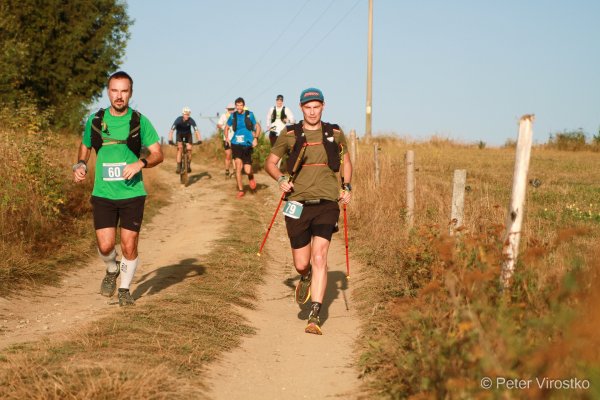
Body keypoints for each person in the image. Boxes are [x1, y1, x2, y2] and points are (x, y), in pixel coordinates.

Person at [264, 87, 352, 335]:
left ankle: (315, 313)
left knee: (320, 256)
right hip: (297, 203)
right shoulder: (290, 133)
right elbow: (270, 163)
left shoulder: (333, 132)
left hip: (327, 202)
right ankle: (305, 277)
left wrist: (346, 186)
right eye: (308, 107)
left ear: (323, 106)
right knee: (302, 263)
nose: (312, 112)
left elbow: (345, 160)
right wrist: (280, 179)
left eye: (316, 107)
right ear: (301, 108)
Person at [72, 71, 164, 306]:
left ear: (130, 93)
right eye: (115, 90)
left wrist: (140, 163)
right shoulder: (95, 120)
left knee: (129, 244)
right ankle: (111, 270)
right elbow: (85, 147)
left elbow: (158, 154)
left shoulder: (140, 121)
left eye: (124, 91)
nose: (119, 96)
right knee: (105, 246)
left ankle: (124, 289)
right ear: (108, 92)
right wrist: (81, 164)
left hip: (132, 193)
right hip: (103, 194)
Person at [224, 97, 261, 198]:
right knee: (238, 167)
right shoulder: (232, 116)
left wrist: (256, 138)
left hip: (247, 144)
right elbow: (226, 128)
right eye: (237, 105)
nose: (239, 107)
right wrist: (227, 138)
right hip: (236, 144)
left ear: (243, 106)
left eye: (241, 105)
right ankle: (241, 190)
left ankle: (251, 176)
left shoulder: (250, 114)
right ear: (235, 106)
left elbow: (257, 126)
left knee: (248, 170)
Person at [167, 107, 202, 173]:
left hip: (188, 135)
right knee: (180, 149)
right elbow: (171, 131)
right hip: (179, 135)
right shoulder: (178, 120)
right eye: (185, 114)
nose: (187, 116)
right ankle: (178, 166)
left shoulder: (191, 120)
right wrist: (170, 140)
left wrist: (199, 139)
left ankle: (188, 165)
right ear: (183, 114)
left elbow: (196, 131)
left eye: (188, 114)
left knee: (189, 149)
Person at [217, 103, 236, 178]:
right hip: (226, 138)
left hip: (235, 138)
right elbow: (218, 125)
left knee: (235, 155)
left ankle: (235, 171)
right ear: (227, 109)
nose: (231, 111)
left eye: (232, 109)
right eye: (229, 109)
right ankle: (227, 171)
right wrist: (224, 127)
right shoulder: (223, 116)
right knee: (228, 155)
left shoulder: (236, 116)